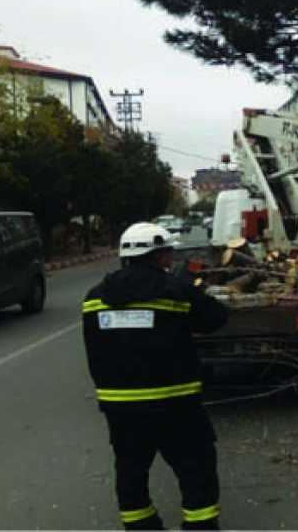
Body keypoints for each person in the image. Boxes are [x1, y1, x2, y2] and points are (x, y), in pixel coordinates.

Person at [82, 222, 229, 530]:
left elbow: (95, 350)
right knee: (195, 469)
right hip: (175, 404)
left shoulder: (94, 298)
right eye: (166, 253)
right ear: (158, 255)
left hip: (120, 408)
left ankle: (142, 527)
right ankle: (200, 526)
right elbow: (215, 318)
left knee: (131, 471)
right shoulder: (175, 290)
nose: (170, 259)